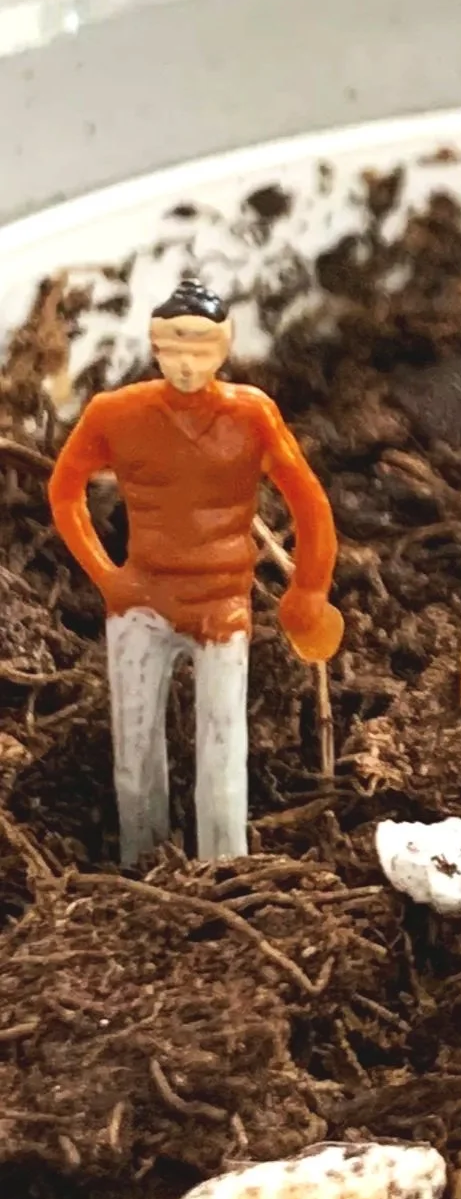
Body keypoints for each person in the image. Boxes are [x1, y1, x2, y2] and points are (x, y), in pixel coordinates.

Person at [48, 275, 342, 864]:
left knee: (222, 758)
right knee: (133, 751)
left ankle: (223, 874)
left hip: (223, 606)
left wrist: (309, 587)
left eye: (201, 349)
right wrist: (107, 577)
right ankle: (141, 867)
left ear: (225, 346)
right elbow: (65, 489)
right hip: (141, 599)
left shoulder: (252, 415)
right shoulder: (116, 412)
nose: (187, 364)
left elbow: (309, 502)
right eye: (174, 349)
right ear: (155, 348)